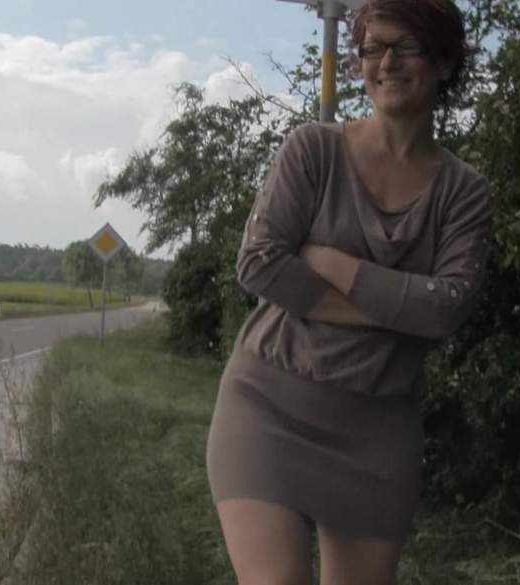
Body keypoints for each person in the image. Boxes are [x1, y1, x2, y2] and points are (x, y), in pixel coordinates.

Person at [205, 0, 494, 583]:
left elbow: (445, 310)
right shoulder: (312, 150)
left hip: (377, 433)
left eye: (405, 46)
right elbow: (258, 264)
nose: (386, 63)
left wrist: (332, 262)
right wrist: (397, 310)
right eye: (372, 47)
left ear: (443, 61)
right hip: (266, 405)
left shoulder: (465, 194)